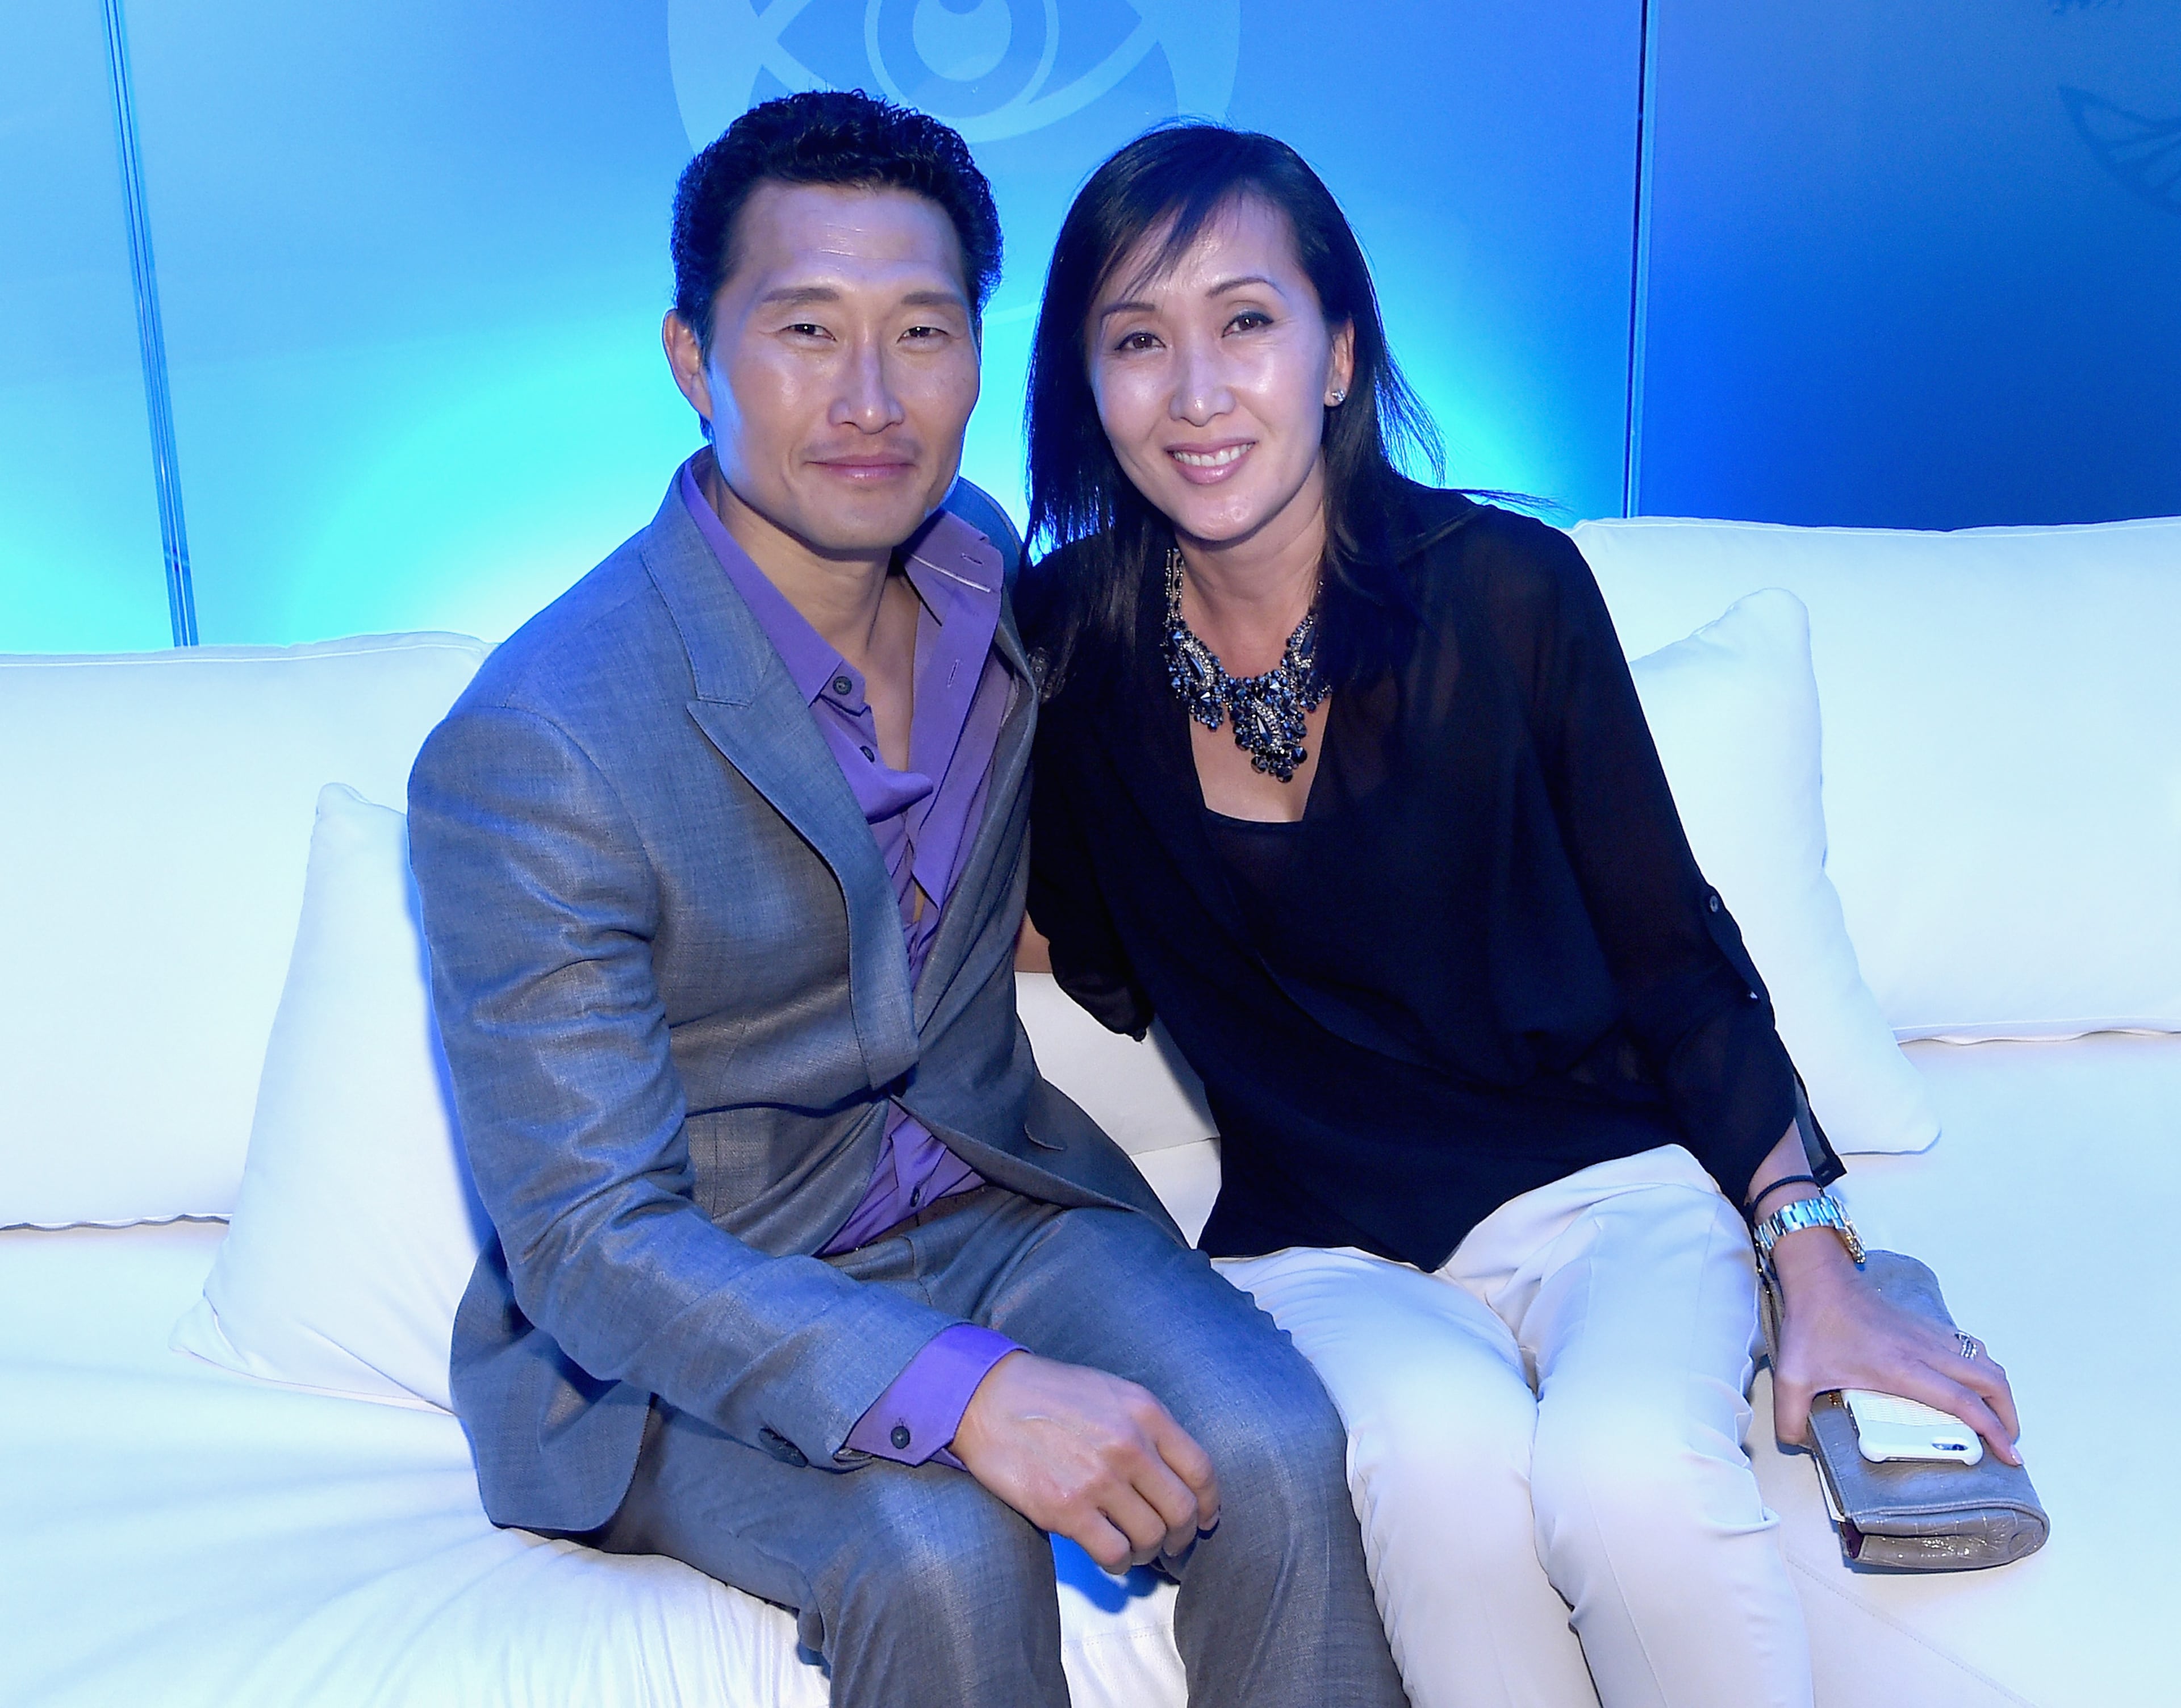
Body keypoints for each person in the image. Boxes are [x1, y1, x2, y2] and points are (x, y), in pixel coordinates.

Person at [407, 92, 1404, 1708]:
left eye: (922, 333)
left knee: (1279, 1446)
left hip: (990, 1199)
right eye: (806, 328)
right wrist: (968, 1394)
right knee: (939, 1554)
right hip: (688, 1319)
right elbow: (587, 1240)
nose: (870, 400)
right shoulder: (541, 744)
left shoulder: (979, 573)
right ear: (691, 359)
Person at [1017, 123, 2024, 1708]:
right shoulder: (1065, 643)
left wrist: (1817, 1257)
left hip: (1608, 1193)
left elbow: (1676, 962)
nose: (1197, 392)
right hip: (1318, 1245)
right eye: (1138, 340)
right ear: (1086, 384)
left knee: (1623, 1472)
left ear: (1340, 350)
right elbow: (1080, 931)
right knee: (1438, 1466)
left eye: (1248, 323)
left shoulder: (1505, 591)